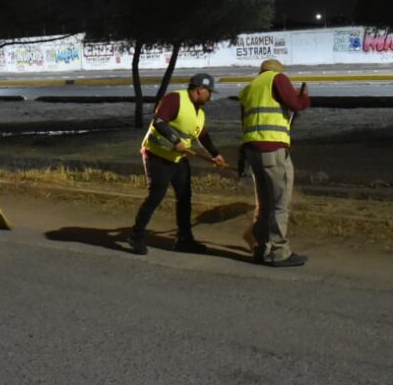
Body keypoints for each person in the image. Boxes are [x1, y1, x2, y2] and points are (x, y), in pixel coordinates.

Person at [126, 73, 227, 255]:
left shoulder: (200, 113)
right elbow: (158, 121)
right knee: (156, 196)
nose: (210, 96)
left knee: (185, 198)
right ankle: (136, 235)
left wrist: (215, 154)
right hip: (157, 156)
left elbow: (202, 135)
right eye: (209, 92)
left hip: (178, 160)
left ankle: (184, 239)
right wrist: (175, 140)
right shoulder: (175, 99)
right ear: (199, 89)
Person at [240, 58, 310, 267]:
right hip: (273, 150)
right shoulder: (277, 79)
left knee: (264, 203)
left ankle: (261, 248)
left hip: (252, 150)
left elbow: (244, 121)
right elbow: (295, 104)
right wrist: (304, 97)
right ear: (278, 71)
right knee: (280, 202)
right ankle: (279, 252)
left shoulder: (249, 89)